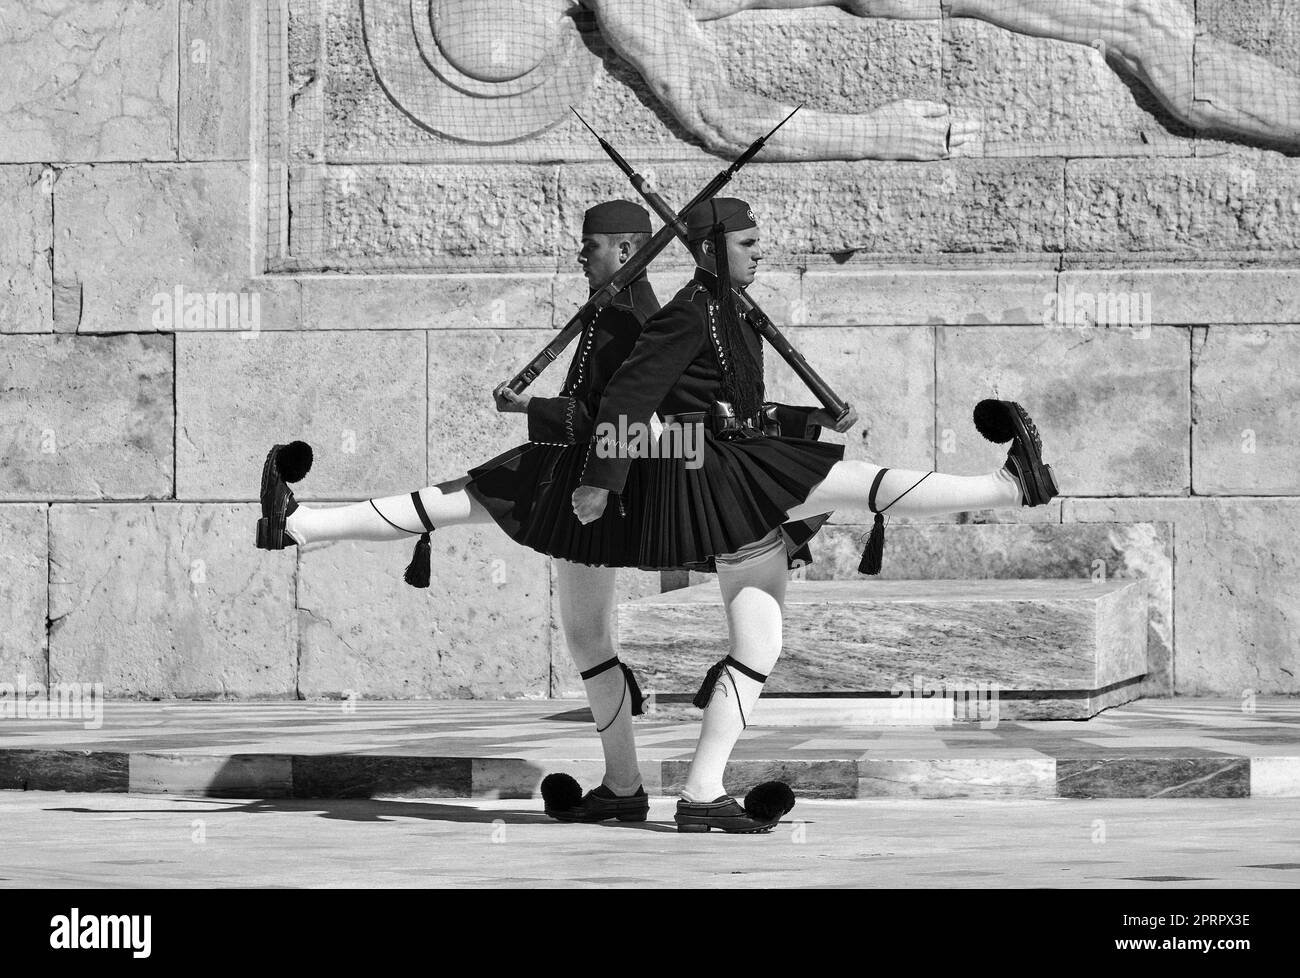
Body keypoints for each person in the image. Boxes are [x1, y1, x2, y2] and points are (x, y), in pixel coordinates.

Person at [568, 196, 1058, 832]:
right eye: (747, 243)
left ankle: (701, 792)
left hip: (739, 462)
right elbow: (626, 400)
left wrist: (811, 419)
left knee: (760, 644)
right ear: (714, 248)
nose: (759, 252)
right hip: (722, 479)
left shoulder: (731, 313)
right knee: (851, 483)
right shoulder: (689, 314)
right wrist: (601, 482)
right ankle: (1006, 487)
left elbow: (739, 406)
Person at [255, 200, 665, 822]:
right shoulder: (615, 307)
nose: (581, 255)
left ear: (627, 251)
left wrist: (532, 412)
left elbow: (631, 420)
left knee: (453, 499)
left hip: (588, 480)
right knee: (586, 638)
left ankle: (301, 524)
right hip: (579, 475)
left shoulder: (635, 317)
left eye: (592, 246)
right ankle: (625, 788)